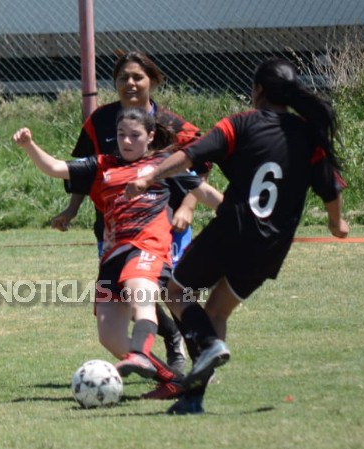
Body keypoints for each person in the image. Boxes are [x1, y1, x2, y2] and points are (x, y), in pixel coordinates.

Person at [125, 57, 349, 414]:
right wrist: (337, 224)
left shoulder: (242, 123)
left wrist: (149, 176)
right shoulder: (309, 134)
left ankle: (209, 345)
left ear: (257, 90)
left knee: (175, 291)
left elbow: (189, 155)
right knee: (215, 310)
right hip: (272, 245)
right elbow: (330, 187)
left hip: (234, 228)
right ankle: (193, 399)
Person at [13, 107, 223, 396]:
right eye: (121, 135)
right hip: (113, 255)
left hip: (147, 247)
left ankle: (140, 351)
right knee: (109, 336)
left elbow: (207, 194)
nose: (126, 141)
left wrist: (243, 219)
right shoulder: (103, 164)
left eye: (134, 136)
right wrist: (29, 145)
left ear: (150, 136)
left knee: (140, 291)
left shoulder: (164, 165)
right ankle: (172, 381)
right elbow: (55, 168)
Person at [50, 51, 209, 374]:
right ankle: (167, 344)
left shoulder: (173, 124)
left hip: (167, 224)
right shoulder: (100, 121)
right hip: (114, 230)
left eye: (138, 77)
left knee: (175, 294)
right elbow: (83, 169)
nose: (131, 84)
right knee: (132, 294)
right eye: (124, 78)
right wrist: (71, 208)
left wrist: (189, 208)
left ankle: (202, 359)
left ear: (152, 80)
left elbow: (201, 166)